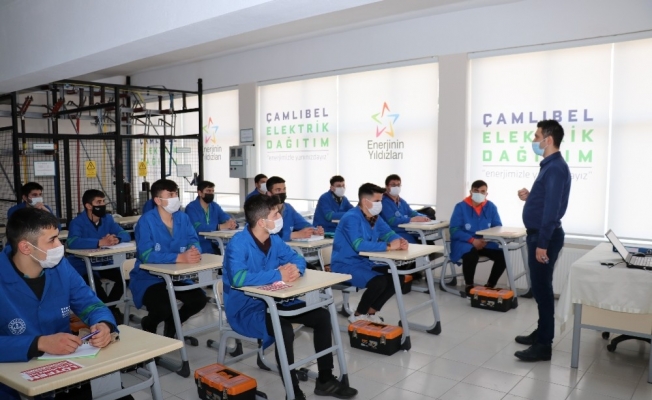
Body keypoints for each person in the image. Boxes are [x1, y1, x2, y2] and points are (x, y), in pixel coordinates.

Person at [223, 195, 357, 400]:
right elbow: (239, 278)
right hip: (247, 309)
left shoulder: (274, 239)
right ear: (262, 222)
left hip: (277, 301)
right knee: (283, 330)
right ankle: (293, 391)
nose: (280, 217)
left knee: (322, 317)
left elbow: (297, 258)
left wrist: (295, 270)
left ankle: (325, 379)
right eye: (275, 214)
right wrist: (278, 275)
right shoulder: (238, 244)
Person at [0, 208, 117, 400]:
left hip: (63, 371)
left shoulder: (60, 267)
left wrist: (104, 324)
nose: (59, 246)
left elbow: (90, 303)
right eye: (52, 240)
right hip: (14, 382)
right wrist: (40, 343)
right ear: (26, 247)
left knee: (118, 394)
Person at [514, 120, 571, 362]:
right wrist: (531, 197)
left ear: (548, 140)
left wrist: (543, 244)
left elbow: (552, 210)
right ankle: (541, 332)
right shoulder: (550, 166)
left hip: (543, 237)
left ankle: (544, 345)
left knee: (543, 290)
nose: (534, 140)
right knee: (540, 288)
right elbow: (547, 201)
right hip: (540, 234)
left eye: (537, 136)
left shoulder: (555, 167)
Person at [130, 179, 207, 338]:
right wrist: (179, 257)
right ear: (158, 200)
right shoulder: (146, 221)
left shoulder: (183, 218)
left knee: (199, 300)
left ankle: (172, 323)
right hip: (150, 278)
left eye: (176, 194)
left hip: (177, 276)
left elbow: (193, 240)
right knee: (163, 307)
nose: (175, 198)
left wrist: (194, 251)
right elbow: (146, 255)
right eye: (170, 195)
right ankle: (149, 323)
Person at [331, 183, 408, 323]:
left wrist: (400, 240)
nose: (380, 204)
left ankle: (371, 312)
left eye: (381, 201)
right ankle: (358, 315)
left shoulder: (375, 217)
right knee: (379, 282)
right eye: (377, 201)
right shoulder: (351, 218)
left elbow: (388, 233)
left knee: (397, 277)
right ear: (365, 201)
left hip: (365, 263)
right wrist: (389, 246)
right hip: (345, 265)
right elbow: (358, 245)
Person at [67, 189, 131, 322]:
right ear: (88, 206)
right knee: (96, 287)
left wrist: (117, 239)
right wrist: (98, 242)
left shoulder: (107, 219)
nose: (102, 205)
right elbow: (73, 242)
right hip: (83, 266)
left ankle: (110, 309)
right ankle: (109, 314)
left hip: (103, 263)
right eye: (98, 202)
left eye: (103, 201)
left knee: (126, 277)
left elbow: (124, 234)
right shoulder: (77, 222)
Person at [449, 180, 506, 296]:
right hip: (464, 242)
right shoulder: (460, 207)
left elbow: (497, 227)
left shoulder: (491, 207)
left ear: (486, 194)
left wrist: (487, 239)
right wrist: (472, 240)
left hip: (485, 241)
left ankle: (490, 286)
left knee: (503, 255)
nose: (479, 194)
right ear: (471, 192)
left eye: (482, 191)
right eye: (476, 191)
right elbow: (454, 230)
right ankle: (469, 285)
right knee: (471, 254)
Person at [185, 180, 237, 254]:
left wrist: (232, 223)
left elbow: (224, 216)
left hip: (215, 244)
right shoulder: (191, 208)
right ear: (200, 193)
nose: (211, 193)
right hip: (199, 245)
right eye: (208, 191)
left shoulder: (214, 206)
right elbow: (197, 227)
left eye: (212, 191)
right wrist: (219, 226)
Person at [266, 176, 324, 241]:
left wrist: (313, 230)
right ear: (269, 193)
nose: (282, 192)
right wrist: (294, 235)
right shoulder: (264, 210)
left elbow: (302, 223)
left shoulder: (288, 208)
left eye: (284, 189)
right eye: (278, 190)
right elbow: (265, 236)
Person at [380, 174, 430, 243]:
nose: (396, 187)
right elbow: (392, 220)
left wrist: (423, 217)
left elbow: (412, 213)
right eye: (393, 185)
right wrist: (411, 219)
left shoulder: (401, 201)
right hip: (393, 232)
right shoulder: (384, 202)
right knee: (412, 242)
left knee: (426, 239)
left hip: (406, 231)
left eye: (398, 185)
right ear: (387, 186)